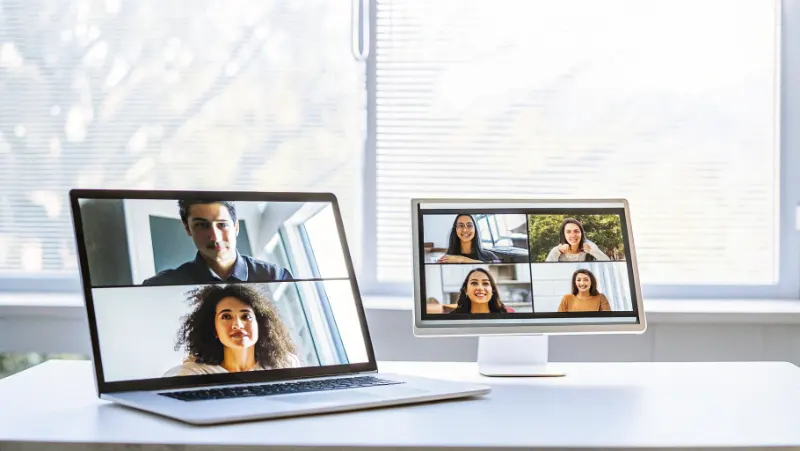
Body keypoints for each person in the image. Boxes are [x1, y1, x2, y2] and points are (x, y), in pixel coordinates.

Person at [143, 199, 293, 285]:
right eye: (202, 225)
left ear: (236, 227)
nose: (215, 237)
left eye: (222, 224)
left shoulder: (275, 277)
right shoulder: (163, 285)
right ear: (187, 228)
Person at [163, 284, 300, 376]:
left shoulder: (286, 364)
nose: (238, 325)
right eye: (226, 316)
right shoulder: (192, 373)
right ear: (214, 329)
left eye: (246, 316)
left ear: (261, 325)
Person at [544, 218, 610, 262]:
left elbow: (608, 263)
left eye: (576, 231)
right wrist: (557, 252)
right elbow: (546, 270)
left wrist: (592, 251)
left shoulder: (590, 247)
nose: (573, 235)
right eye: (568, 232)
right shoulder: (556, 250)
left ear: (581, 233)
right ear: (563, 234)